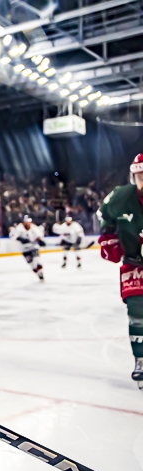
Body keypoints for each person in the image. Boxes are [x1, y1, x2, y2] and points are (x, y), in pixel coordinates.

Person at [97, 153, 143, 387]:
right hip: (134, 263)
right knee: (137, 311)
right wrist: (108, 237)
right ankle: (141, 359)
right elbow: (104, 215)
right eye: (139, 175)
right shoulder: (121, 196)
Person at [10, 215, 46, 281]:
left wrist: (40, 240)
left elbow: (39, 235)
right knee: (32, 264)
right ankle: (38, 273)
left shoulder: (34, 228)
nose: (27, 223)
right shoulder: (19, 228)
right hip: (24, 249)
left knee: (37, 260)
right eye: (26, 222)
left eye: (29, 222)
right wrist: (20, 239)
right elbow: (12, 236)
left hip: (33, 247)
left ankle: (40, 272)